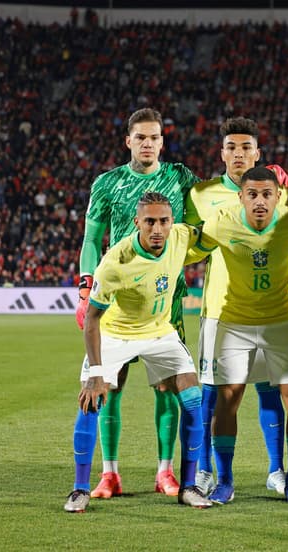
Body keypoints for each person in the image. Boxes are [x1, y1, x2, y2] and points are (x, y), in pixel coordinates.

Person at [75, 108, 199, 500]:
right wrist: (85, 286)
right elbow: (93, 240)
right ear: (128, 141)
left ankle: (166, 472)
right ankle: (109, 473)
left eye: (154, 137)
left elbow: (218, 199)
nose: (147, 144)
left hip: (167, 300)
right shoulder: (108, 183)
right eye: (140, 137)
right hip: (118, 298)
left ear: (163, 141)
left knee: (168, 389)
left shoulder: (179, 177)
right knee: (110, 387)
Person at [64, 193, 211, 512]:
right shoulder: (116, 261)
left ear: (172, 222)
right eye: (150, 222)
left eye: (164, 221)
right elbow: (92, 319)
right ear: (137, 223)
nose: (157, 229)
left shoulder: (180, 237)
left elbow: (213, 232)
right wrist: (97, 375)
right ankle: (79, 489)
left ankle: (188, 486)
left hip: (159, 330)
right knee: (92, 398)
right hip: (117, 332)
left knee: (193, 396)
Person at [189, 166, 288, 505]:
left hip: (282, 323)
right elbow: (187, 251)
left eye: (267, 194)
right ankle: (226, 480)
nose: (260, 201)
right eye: (252, 195)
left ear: (278, 196)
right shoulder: (220, 221)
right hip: (234, 323)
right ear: (241, 196)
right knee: (227, 400)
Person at [184, 117, 288, 497]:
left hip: (268, 309)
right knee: (213, 394)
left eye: (247, 148)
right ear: (222, 152)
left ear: (258, 153)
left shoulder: (277, 191)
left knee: (268, 390)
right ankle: (206, 470)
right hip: (219, 310)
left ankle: (276, 470)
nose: (239, 154)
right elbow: (189, 246)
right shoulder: (201, 195)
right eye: (232, 147)